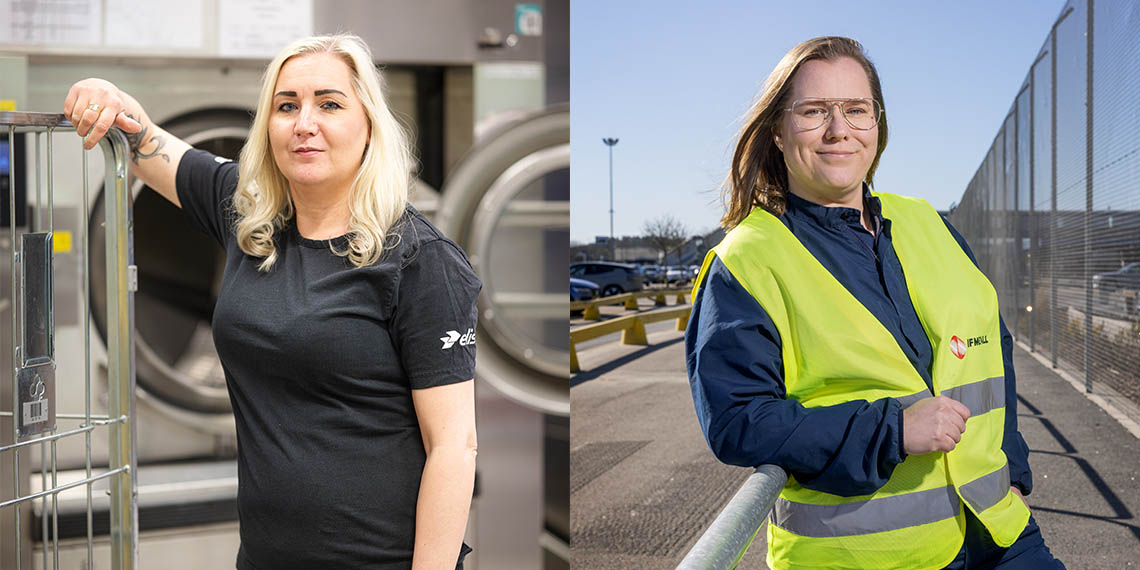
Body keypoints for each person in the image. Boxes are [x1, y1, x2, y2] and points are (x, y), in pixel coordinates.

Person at [65, 34, 478, 570]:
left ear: (369, 124)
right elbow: (146, 143)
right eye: (287, 106)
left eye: (329, 104)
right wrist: (104, 93)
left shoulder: (420, 259)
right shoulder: (250, 216)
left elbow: (454, 445)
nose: (304, 123)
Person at [685, 36, 1065, 569]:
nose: (839, 129)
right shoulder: (746, 260)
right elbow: (738, 420)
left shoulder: (926, 221)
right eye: (814, 111)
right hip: (866, 556)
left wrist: (1015, 473)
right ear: (777, 131)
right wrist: (892, 430)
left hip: (1000, 531)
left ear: (877, 124)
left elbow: (990, 352)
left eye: (857, 110)